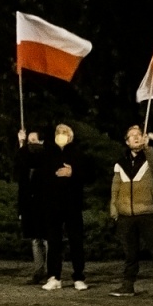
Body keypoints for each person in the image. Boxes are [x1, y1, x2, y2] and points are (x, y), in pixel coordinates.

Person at [110, 125, 153, 297]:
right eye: (132, 136)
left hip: (147, 212)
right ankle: (128, 285)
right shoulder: (120, 162)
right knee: (130, 252)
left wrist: (147, 147)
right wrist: (114, 207)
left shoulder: (150, 158)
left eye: (139, 135)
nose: (136, 137)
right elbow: (115, 187)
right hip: (126, 215)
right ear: (127, 141)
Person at [48, 124, 89, 291]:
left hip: (73, 204)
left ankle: (78, 277)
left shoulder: (78, 154)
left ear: (70, 137)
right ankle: (54, 277)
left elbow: (89, 174)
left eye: (64, 133)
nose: (61, 135)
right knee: (53, 242)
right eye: (58, 133)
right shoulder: (49, 154)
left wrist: (73, 172)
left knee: (76, 241)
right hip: (53, 205)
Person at [16, 128, 55, 284]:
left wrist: (23, 146)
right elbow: (21, 164)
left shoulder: (45, 156)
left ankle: (51, 271)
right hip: (30, 204)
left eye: (32, 140)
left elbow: (33, 157)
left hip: (45, 203)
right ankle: (38, 271)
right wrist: (21, 143)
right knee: (35, 239)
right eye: (29, 141)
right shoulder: (26, 161)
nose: (30, 144)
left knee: (47, 239)